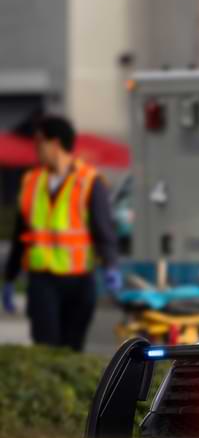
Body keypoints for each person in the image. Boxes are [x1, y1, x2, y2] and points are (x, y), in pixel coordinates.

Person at [2, 115, 121, 351]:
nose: (36, 149)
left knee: (72, 349)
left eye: (39, 142)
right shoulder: (32, 182)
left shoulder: (89, 181)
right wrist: (10, 276)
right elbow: (20, 234)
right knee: (46, 347)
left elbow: (103, 229)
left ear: (54, 143)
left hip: (79, 281)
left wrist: (110, 266)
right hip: (42, 280)